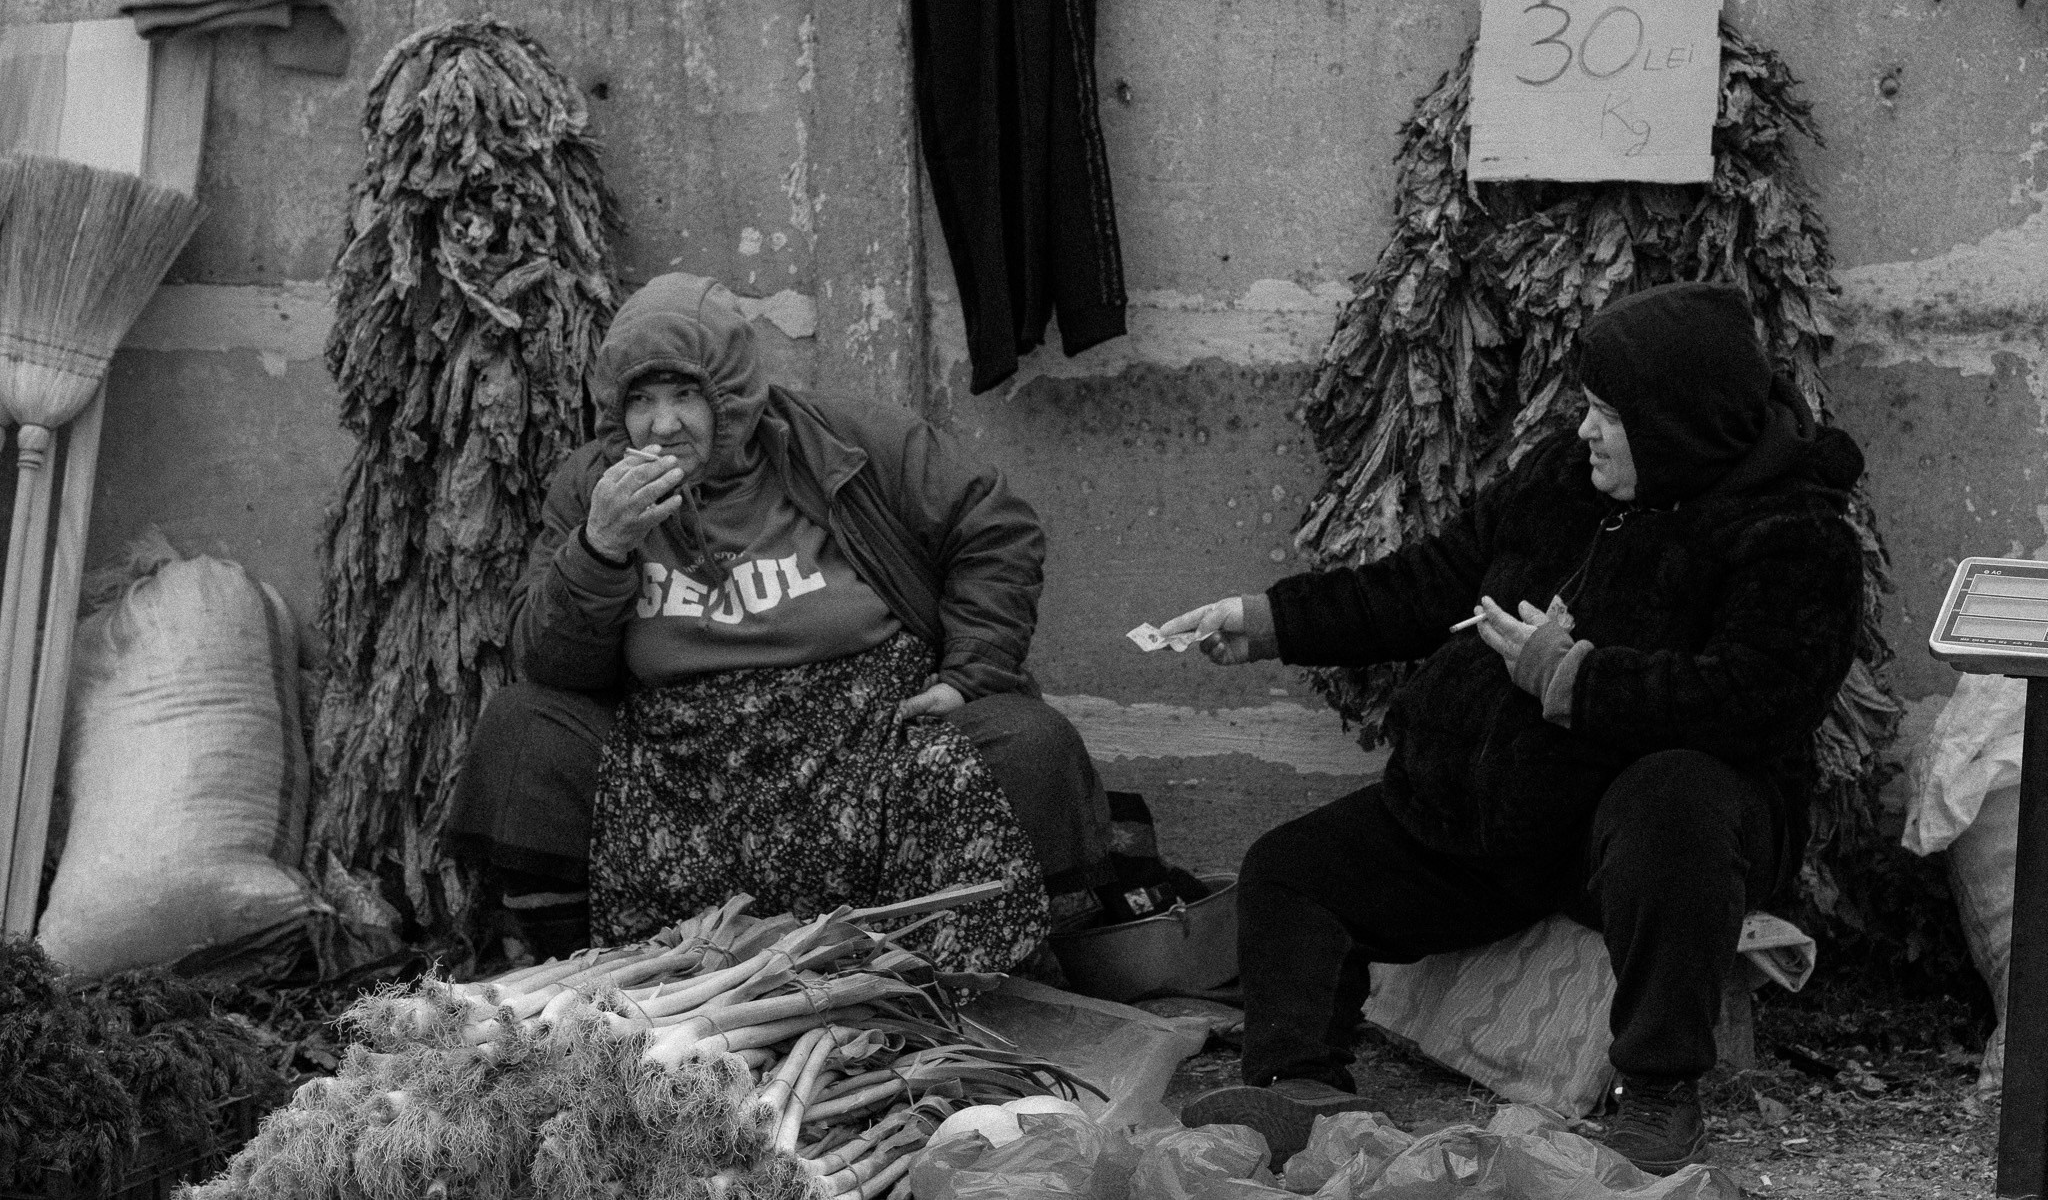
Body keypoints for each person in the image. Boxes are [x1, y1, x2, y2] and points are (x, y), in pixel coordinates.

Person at [1160, 282, 1866, 1175]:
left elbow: (1757, 697)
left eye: (1609, 414)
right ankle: (1302, 1089)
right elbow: (1430, 584)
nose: (1584, 431)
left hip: (1626, 836)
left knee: (1675, 797)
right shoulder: (1561, 484)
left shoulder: (1795, 534)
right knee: (1290, 870)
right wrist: (1263, 620)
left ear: (1675, 422)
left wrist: (1572, 677)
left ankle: (1656, 1095)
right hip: (1493, 824)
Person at [446, 272, 1115, 974]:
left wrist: (972, 672)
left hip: (864, 754)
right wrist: (599, 547)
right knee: (523, 730)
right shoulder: (596, 488)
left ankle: (981, 972)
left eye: (684, 394)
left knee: (1028, 743)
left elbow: (993, 525)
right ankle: (584, 982)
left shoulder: (849, 444)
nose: (663, 423)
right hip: (678, 773)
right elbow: (552, 666)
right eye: (640, 399)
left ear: (729, 396)